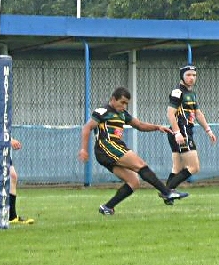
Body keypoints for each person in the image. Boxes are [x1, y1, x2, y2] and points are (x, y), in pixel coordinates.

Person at [78, 87, 188, 215]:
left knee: (134, 182)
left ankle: (107, 207)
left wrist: (157, 127)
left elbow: (139, 125)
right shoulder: (103, 111)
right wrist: (84, 149)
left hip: (112, 149)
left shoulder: (123, 114)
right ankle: (166, 192)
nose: (124, 106)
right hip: (107, 146)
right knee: (140, 164)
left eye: (126, 104)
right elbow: (87, 128)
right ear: (113, 99)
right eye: (122, 102)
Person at [162, 65, 217, 204]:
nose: (192, 78)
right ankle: (167, 191)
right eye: (188, 75)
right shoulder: (177, 92)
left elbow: (197, 113)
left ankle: (168, 198)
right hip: (181, 131)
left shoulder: (191, 94)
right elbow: (170, 113)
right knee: (194, 167)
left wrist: (208, 130)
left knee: (177, 168)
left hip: (184, 131)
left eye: (194, 75)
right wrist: (177, 133)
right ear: (182, 76)